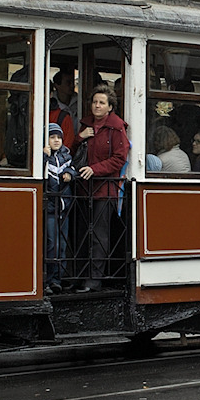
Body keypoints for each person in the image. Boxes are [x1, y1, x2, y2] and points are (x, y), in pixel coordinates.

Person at [76, 87, 129, 292]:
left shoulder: (116, 128)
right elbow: (72, 151)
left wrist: (94, 169)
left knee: (99, 234)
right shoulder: (85, 125)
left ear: (110, 107)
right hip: (83, 187)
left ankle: (94, 278)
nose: (97, 106)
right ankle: (80, 274)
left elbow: (119, 159)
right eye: (95, 102)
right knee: (82, 232)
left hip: (105, 189)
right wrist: (80, 137)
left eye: (101, 103)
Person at [42, 122, 77, 295]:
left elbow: (73, 168)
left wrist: (70, 173)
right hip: (49, 208)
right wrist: (44, 157)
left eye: (59, 137)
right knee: (51, 244)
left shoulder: (66, 156)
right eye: (52, 137)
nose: (56, 140)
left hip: (64, 207)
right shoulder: (43, 156)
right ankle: (47, 279)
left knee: (61, 245)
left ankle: (57, 279)